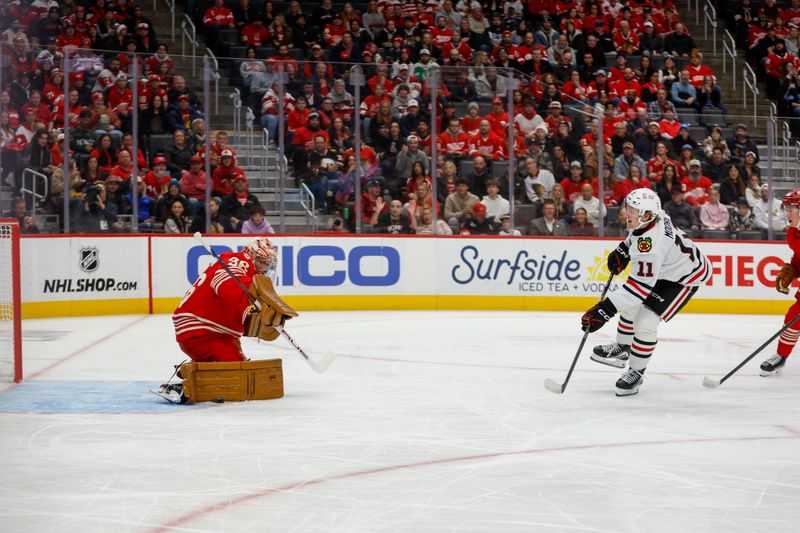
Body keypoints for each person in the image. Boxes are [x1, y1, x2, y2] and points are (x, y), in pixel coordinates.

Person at [583, 188, 711, 396]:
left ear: (647, 214)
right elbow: (637, 234)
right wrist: (623, 250)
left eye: (633, 210)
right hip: (666, 267)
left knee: (645, 322)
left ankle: (636, 371)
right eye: (629, 207)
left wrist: (603, 310)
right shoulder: (653, 216)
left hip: (684, 278)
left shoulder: (650, 247)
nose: (627, 212)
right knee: (630, 309)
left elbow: (637, 290)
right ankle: (623, 348)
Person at [158, 238, 296, 403]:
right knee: (238, 375)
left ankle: (192, 370)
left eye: (268, 263)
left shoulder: (243, 268)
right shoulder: (239, 260)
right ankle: (187, 386)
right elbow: (222, 283)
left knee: (237, 367)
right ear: (250, 255)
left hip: (211, 332)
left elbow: (232, 305)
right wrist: (252, 299)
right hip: (201, 331)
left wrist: (259, 322)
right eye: (261, 261)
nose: (265, 267)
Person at [763, 190, 800, 376]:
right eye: (786, 209)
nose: (787, 214)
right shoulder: (794, 232)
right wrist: (792, 270)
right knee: (792, 318)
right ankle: (781, 356)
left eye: (791, 209)